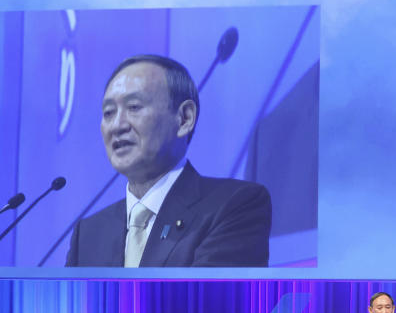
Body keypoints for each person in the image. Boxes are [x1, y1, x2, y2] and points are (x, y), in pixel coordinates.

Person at [65, 54, 271, 267]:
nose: (117, 125)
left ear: (185, 118)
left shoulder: (233, 205)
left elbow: (206, 299)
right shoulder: (89, 234)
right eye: (108, 113)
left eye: (134, 107)